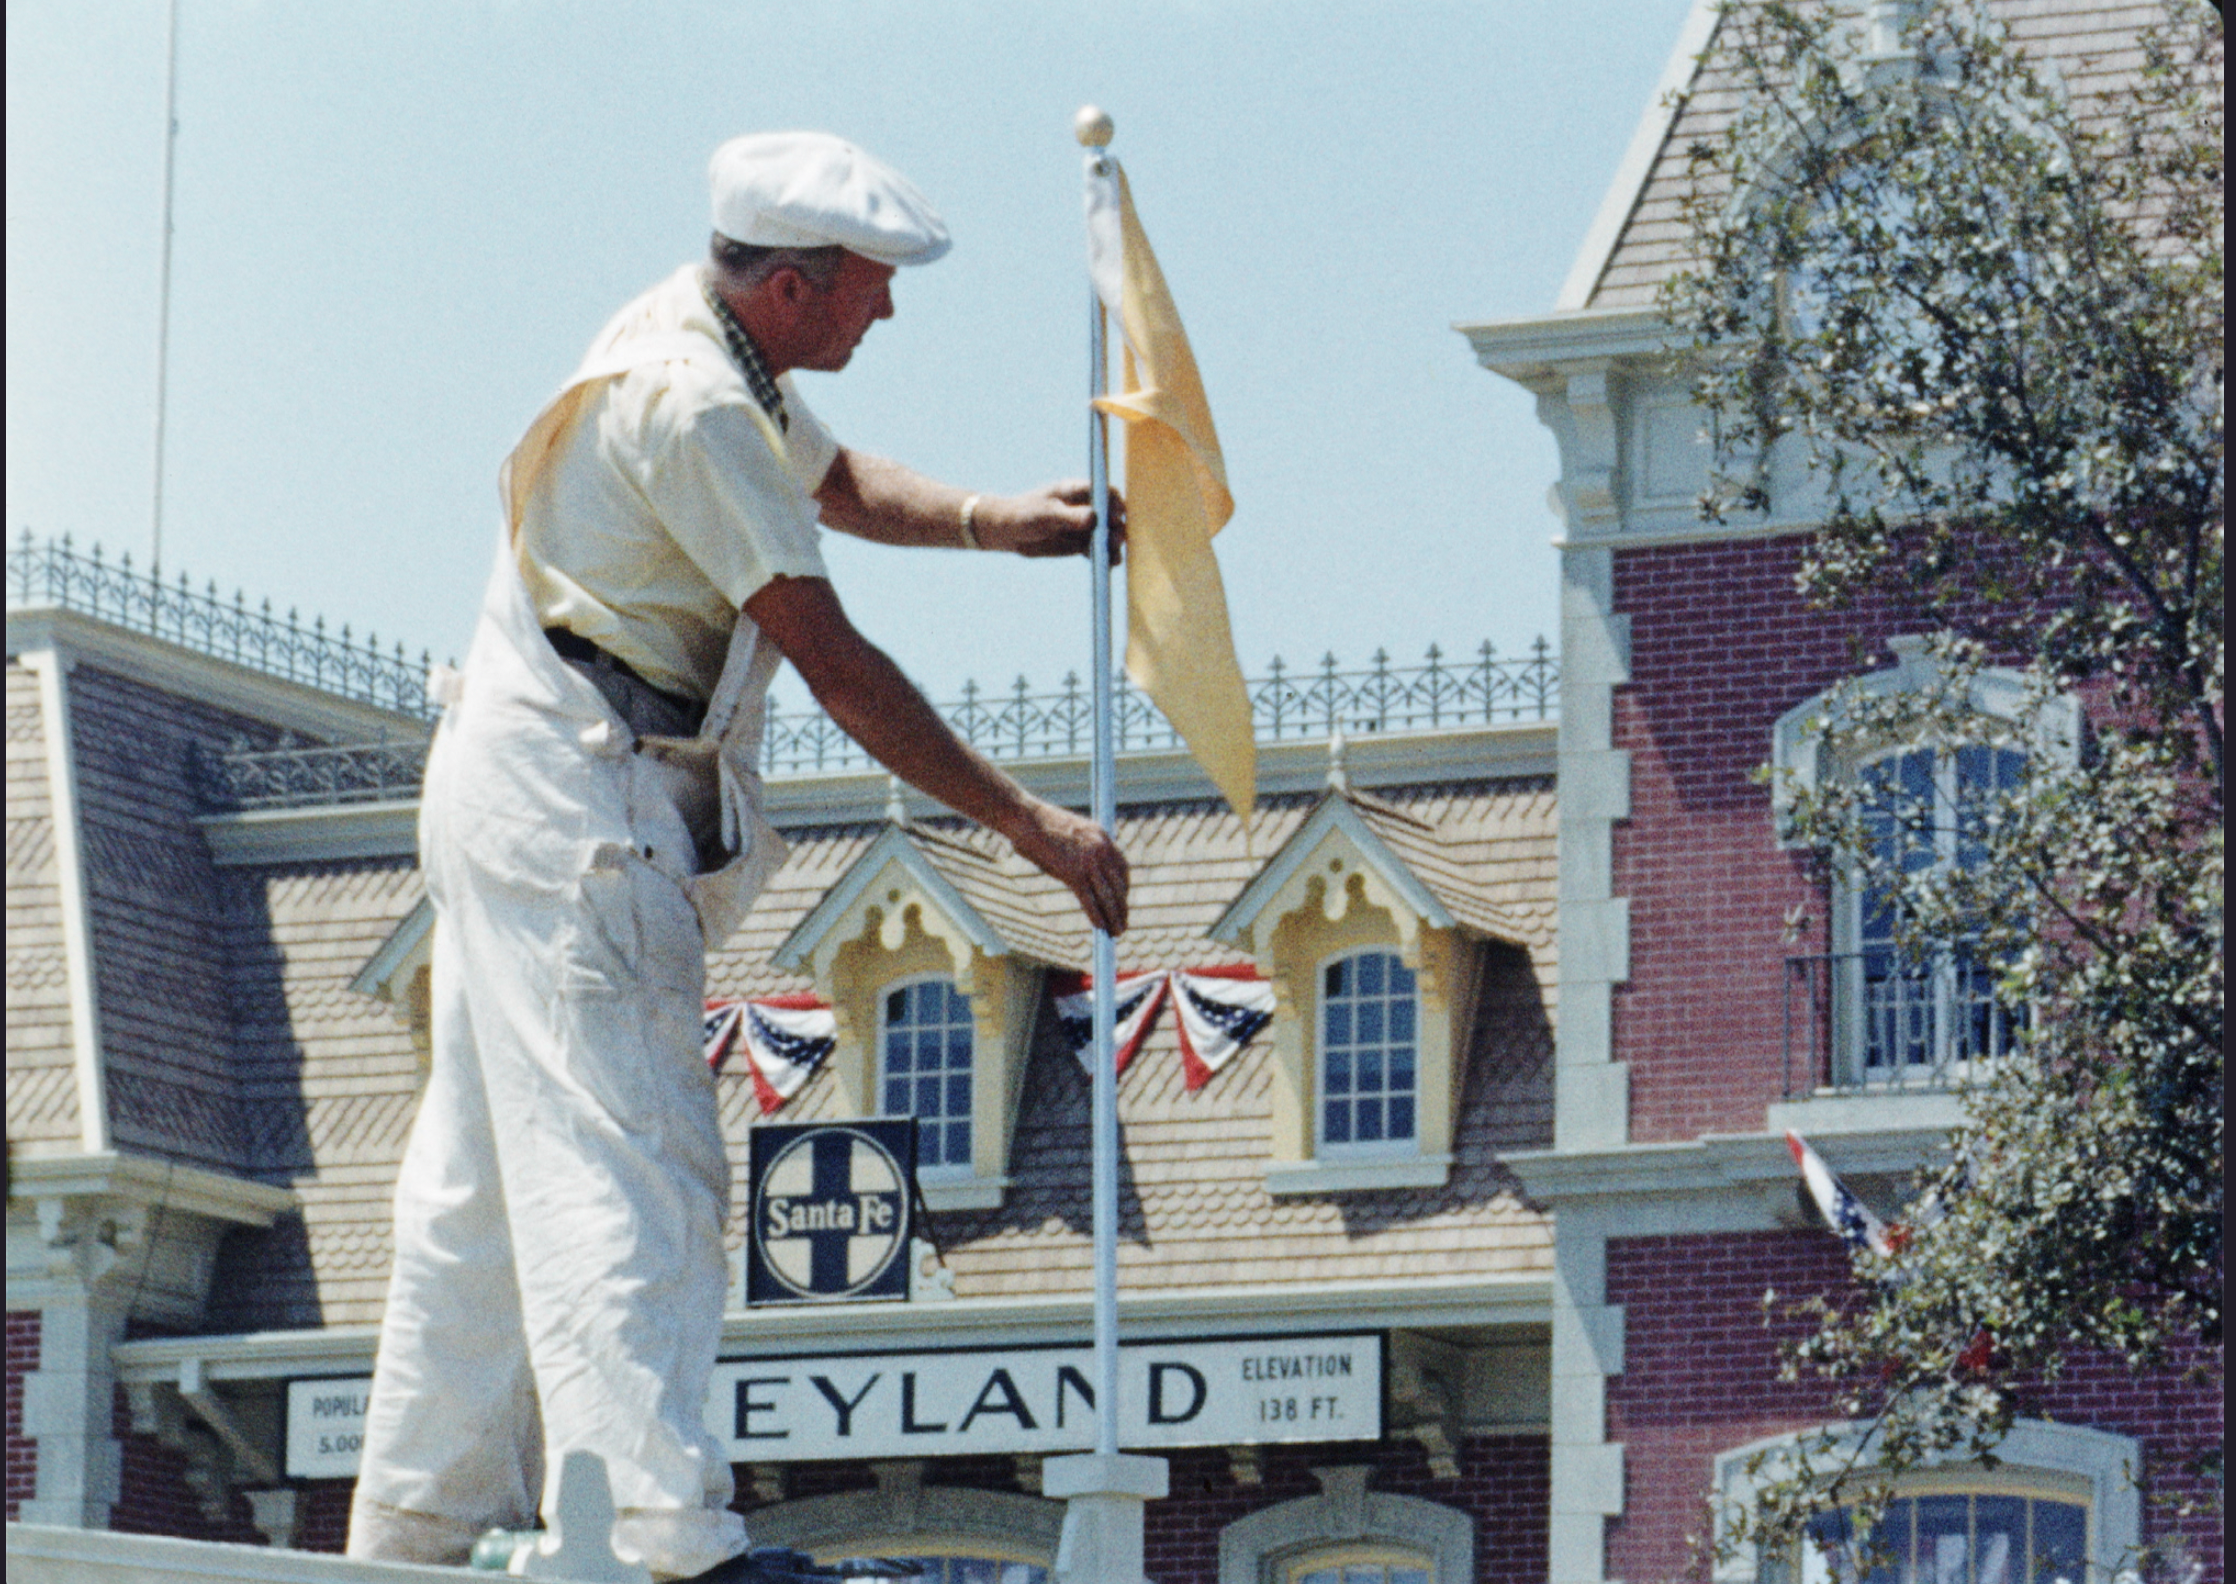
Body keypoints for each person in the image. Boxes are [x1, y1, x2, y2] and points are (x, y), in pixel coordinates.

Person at [346, 131, 1128, 1582]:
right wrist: (1029, 825)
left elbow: (831, 482)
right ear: (787, 287)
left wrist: (991, 523)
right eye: (867, 289)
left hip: (521, 782)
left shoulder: (698, 346)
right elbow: (838, 666)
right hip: (582, 807)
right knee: (633, 1158)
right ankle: (665, 1543)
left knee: (479, 1198)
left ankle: (412, 1533)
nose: (883, 314)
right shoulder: (697, 403)